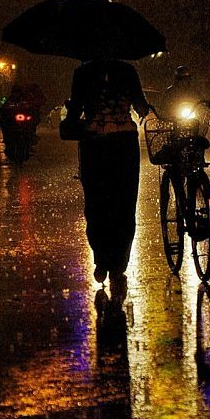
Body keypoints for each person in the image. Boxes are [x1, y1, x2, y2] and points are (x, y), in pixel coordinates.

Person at [66, 58, 151, 295]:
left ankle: (102, 259)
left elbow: (74, 111)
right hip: (124, 143)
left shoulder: (82, 73)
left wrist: (73, 120)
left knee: (96, 205)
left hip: (94, 144)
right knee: (124, 204)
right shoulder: (127, 70)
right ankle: (118, 265)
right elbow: (141, 106)